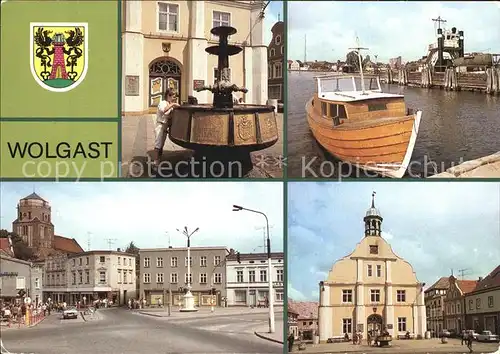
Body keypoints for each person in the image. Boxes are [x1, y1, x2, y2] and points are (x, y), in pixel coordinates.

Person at [153, 89, 180, 169]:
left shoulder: (169, 103)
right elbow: (164, 110)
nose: (174, 98)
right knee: (158, 145)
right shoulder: (163, 103)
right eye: (173, 97)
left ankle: (158, 160)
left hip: (165, 126)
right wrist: (173, 104)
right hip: (160, 126)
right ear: (168, 95)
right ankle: (155, 162)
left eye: (175, 97)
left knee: (161, 145)